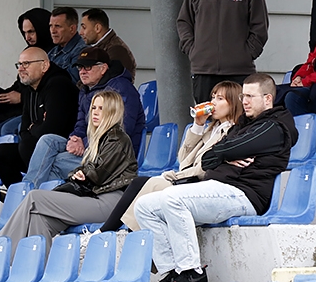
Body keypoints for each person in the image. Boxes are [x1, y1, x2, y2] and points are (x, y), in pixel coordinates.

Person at [136, 73, 297, 282]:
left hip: (244, 195)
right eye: (243, 96)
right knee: (144, 207)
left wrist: (225, 152)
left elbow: (227, 149)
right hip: (220, 189)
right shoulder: (243, 124)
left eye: (250, 96)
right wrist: (226, 154)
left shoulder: (274, 127)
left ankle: (191, 272)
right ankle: (170, 272)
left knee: (172, 199)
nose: (245, 101)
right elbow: (209, 157)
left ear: (267, 99)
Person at [0, 90, 138, 257]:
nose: (95, 112)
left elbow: (99, 173)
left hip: (111, 202)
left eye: (101, 108)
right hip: (95, 197)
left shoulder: (117, 138)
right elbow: (90, 170)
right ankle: (35, 270)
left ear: (112, 112)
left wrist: (81, 173)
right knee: (39, 218)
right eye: (94, 107)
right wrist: (79, 172)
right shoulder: (100, 138)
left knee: (34, 197)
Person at [100, 81, 244, 233]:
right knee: (139, 183)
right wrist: (198, 126)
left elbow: (203, 168)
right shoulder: (210, 129)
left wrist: (174, 176)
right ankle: (119, 232)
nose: (213, 102)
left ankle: (117, 232)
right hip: (186, 179)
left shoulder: (231, 132)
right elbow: (183, 158)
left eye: (220, 99)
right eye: (213, 97)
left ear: (233, 103)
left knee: (146, 185)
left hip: (198, 183)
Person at [22, 48, 145, 187]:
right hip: (90, 147)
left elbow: (121, 131)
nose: (82, 71)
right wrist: (74, 139)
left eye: (88, 67)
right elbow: (80, 124)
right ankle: (32, 191)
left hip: (112, 156)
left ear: (103, 68)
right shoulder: (85, 90)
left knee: (53, 162)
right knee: (48, 140)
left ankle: (30, 194)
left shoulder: (121, 88)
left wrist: (84, 143)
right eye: (80, 67)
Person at [177, 0, 270, 103]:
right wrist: (193, 50)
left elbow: (260, 25)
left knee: (240, 121)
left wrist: (247, 53)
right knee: (207, 121)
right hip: (204, 70)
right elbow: (184, 21)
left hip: (239, 71)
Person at [0, 47, 79, 188]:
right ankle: (18, 194)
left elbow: (52, 130)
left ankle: (30, 194)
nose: (21, 69)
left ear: (44, 65)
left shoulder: (59, 85)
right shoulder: (28, 88)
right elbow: (24, 128)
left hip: (61, 148)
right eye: (19, 64)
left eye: (26, 64)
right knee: (0, 153)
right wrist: (37, 127)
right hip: (35, 146)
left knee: (28, 145)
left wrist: (35, 127)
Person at [0, 8, 54, 150]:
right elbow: (19, 84)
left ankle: (12, 163)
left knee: (2, 130)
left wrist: (21, 97)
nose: (28, 37)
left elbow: (45, 91)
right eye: (24, 32)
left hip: (30, 110)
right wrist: (2, 94)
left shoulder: (50, 55)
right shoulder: (27, 52)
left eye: (31, 31)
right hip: (13, 110)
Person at [78, 8, 137, 82]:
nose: (80, 32)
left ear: (97, 28)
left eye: (84, 27)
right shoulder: (107, 47)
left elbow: (111, 81)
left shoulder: (117, 49)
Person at [48, 7, 85, 84]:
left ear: (72, 28)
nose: (53, 31)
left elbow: (71, 82)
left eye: (58, 26)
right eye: (51, 26)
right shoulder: (52, 52)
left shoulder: (82, 50)